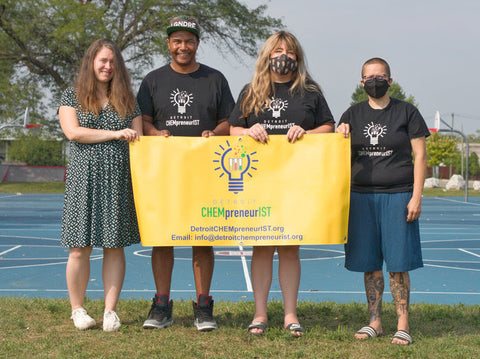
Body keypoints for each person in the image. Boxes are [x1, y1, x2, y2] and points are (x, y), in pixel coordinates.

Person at [229, 30, 334, 337]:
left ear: (297, 57)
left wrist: (307, 134)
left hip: (296, 182)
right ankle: (260, 314)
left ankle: (290, 314)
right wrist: (248, 132)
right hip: (258, 181)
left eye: (288, 52)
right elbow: (234, 128)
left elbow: (328, 126)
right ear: (267, 55)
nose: (282, 56)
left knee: (289, 247)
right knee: (261, 247)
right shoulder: (250, 91)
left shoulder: (310, 92)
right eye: (277, 51)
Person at [137, 15, 235, 331]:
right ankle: (161, 305)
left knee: (202, 239)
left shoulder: (215, 79)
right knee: (162, 237)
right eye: (177, 41)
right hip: (165, 173)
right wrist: (154, 134)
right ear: (169, 44)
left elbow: (228, 121)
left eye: (189, 41)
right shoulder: (152, 80)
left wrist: (214, 134)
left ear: (197, 44)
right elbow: (144, 121)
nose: (183, 47)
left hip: (205, 173)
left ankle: (203, 306)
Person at [336, 57, 429, 345]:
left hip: (399, 195)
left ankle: (403, 323)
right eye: (369, 76)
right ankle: (374, 321)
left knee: (398, 264)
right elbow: (337, 155)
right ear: (361, 82)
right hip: (361, 197)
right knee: (370, 263)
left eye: (380, 76)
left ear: (390, 80)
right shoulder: (351, 114)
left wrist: (416, 196)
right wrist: (339, 136)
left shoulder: (407, 112)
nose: (374, 80)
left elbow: (420, 156)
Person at [59, 39, 143, 331]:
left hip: (118, 180)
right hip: (83, 180)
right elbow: (73, 132)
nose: (107, 66)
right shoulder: (72, 96)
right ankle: (78, 309)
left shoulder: (129, 101)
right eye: (102, 61)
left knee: (114, 246)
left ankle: (110, 311)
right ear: (91, 63)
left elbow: (139, 138)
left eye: (112, 62)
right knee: (79, 248)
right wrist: (114, 133)